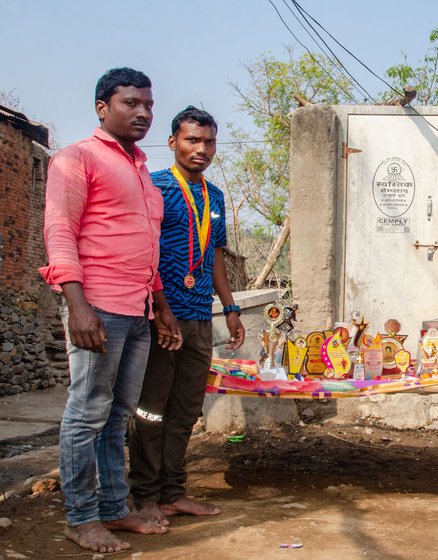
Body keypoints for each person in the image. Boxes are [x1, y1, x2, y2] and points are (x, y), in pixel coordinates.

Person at [40, 67, 182, 554]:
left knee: (118, 416)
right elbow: (59, 232)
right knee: (87, 415)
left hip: (138, 310)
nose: (142, 112)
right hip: (97, 308)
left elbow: (147, 251)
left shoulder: (142, 168)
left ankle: (114, 509)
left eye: (148, 104)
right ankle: (81, 518)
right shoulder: (74, 158)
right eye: (130, 103)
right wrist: (77, 306)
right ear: (102, 107)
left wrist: (160, 307)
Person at [128, 106, 245, 526]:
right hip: (163, 316)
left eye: (209, 142)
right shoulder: (154, 186)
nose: (201, 149)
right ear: (173, 141)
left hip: (200, 316)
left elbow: (214, 253)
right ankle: (144, 496)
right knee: (150, 409)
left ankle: (173, 492)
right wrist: (160, 311)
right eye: (192, 140)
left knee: (186, 409)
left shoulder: (214, 196)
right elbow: (145, 251)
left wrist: (229, 308)